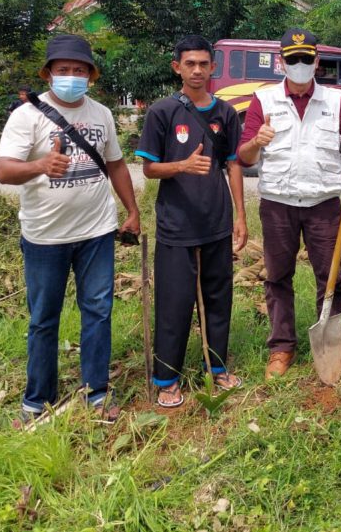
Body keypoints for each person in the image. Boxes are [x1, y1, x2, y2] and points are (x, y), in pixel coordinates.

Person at [0, 34, 140, 425]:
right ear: (49, 74)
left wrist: (132, 209)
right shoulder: (27, 116)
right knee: (44, 317)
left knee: (98, 311)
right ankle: (37, 400)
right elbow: (5, 170)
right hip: (45, 236)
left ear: (90, 76)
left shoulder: (102, 114)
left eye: (79, 70)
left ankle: (96, 392)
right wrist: (40, 166)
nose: (71, 76)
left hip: (96, 232)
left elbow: (116, 165)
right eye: (64, 70)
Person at [237, 28, 341, 379]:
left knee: (330, 278)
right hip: (278, 203)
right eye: (293, 59)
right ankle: (282, 348)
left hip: (324, 203)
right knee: (278, 277)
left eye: (306, 59)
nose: (300, 65)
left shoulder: (334, 100)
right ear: (281, 63)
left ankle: (331, 347)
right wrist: (257, 140)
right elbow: (243, 154)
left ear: (316, 62)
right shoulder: (263, 101)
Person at [136, 35, 247, 408]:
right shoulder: (162, 112)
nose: (197, 70)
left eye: (204, 63)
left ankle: (216, 367)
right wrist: (182, 166)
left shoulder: (226, 114)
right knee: (174, 301)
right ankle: (167, 378)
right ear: (177, 67)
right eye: (190, 64)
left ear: (213, 67)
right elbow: (149, 168)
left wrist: (241, 217)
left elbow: (233, 165)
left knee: (219, 298)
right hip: (176, 222)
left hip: (216, 220)